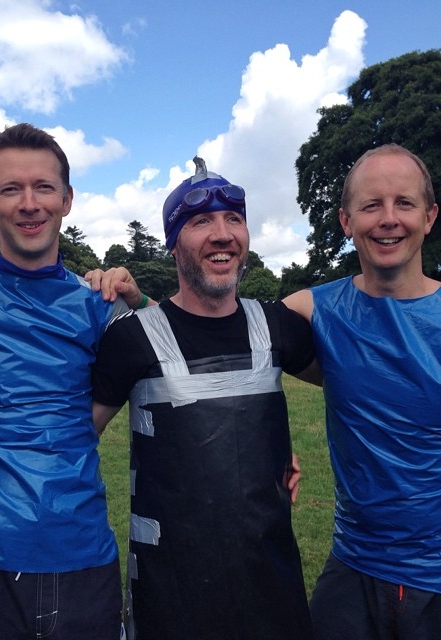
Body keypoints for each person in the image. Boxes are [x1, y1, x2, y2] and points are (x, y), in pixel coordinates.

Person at [0, 123, 144, 640]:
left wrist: (141, 304)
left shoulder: (102, 304)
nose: (29, 204)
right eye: (11, 189)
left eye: (43, 187)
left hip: (82, 548)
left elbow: (185, 355)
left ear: (66, 199)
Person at [91, 158, 317, 639]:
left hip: (272, 593)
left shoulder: (278, 327)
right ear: (174, 245)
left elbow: (368, 390)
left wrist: (270, 448)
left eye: (234, 219)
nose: (222, 233)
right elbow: (68, 438)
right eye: (200, 222)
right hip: (170, 599)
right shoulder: (130, 339)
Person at [284, 144, 441, 639]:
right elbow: (212, 340)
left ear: (430, 216)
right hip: (352, 570)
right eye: (372, 205)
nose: (388, 220)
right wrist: (135, 301)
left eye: (404, 203)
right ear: (346, 220)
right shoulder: (313, 311)